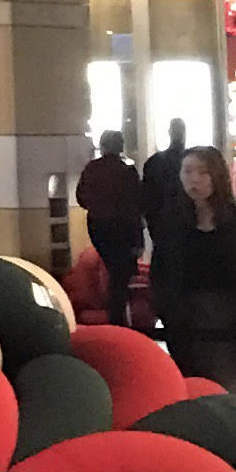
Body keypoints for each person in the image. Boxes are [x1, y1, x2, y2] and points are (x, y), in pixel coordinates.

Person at [148, 145, 236, 392]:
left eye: (202, 172)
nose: (194, 180)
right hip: (185, 321)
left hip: (231, 320)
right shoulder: (171, 223)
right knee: (191, 390)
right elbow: (160, 272)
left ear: (217, 176)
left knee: (224, 389)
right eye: (187, 171)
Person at [74, 127, 146, 330]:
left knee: (112, 269)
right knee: (120, 273)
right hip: (122, 228)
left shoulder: (92, 169)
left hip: (98, 226)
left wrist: (98, 206)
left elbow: (81, 197)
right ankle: (119, 317)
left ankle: (115, 315)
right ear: (120, 146)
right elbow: (136, 205)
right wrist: (137, 238)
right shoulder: (127, 171)